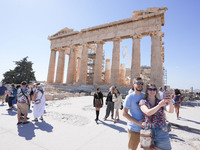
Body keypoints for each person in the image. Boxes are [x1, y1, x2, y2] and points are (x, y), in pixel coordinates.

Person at [139, 83, 174, 150]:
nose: (152, 91)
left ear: (156, 91)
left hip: (161, 130)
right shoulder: (143, 102)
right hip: (148, 130)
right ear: (147, 91)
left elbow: (170, 111)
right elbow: (148, 112)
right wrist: (159, 106)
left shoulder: (160, 101)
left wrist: (170, 102)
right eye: (150, 89)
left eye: (154, 89)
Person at [123, 77, 145, 150]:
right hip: (134, 129)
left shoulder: (145, 96)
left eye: (141, 83)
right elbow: (124, 113)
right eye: (138, 83)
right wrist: (138, 122)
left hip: (146, 129)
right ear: (134, 84)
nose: (140, 85)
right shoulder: (129, 97)